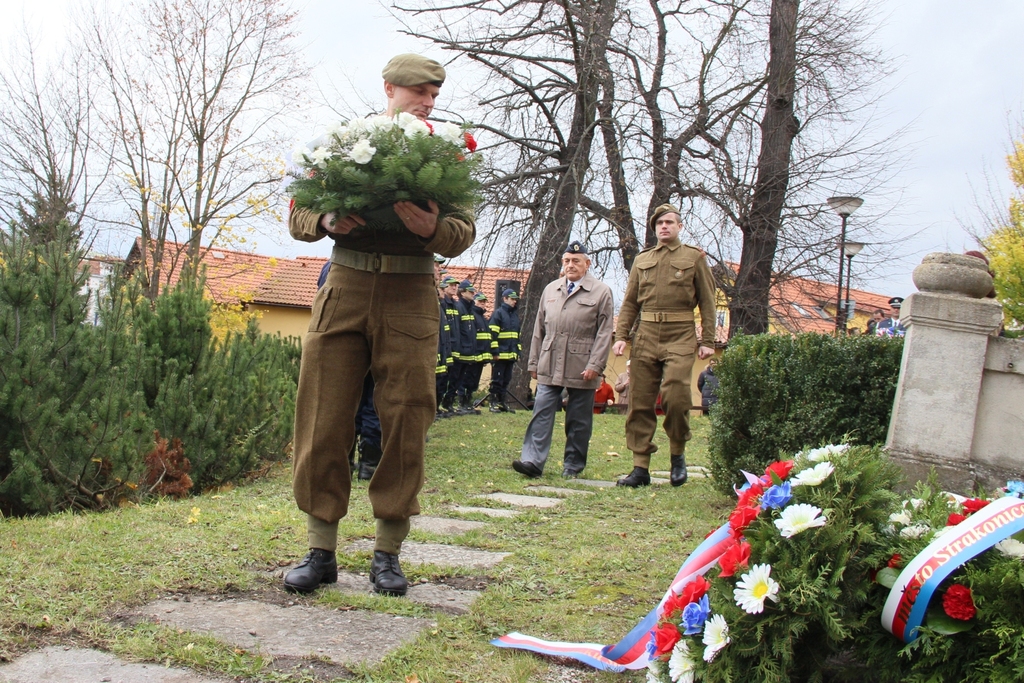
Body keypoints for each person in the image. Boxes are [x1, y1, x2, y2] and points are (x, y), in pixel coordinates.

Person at [284, 53, 475, 597]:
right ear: (389, 88)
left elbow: (464, 230)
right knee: (323, 415)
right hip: (344, 288)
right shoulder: (345, 145)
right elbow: (299, 212)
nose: (428, 101)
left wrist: (434, 226)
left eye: (434, 95)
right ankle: (320, 549)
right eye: (419, 91)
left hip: (411, 292)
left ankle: (387, 554)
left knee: (406, 419)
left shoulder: (447, 155)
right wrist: (325, 219)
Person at [612, 204, 717, 488]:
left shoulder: (693, 258)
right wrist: (621, 336)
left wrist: (708, 340)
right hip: (646, 334)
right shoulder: (643, 259)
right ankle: (640, 467)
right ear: (654, 228)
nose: (664, 227)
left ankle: (677, 454)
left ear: (679, 226)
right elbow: (631, 301)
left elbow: (708, 301)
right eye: (659, 223)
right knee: (640, 401)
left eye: (670, 222)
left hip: (680, 333)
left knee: (676, 396)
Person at [511, 241, 615, 479]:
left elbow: (604, 332)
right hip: (550, 359)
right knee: (542, 411)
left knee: (578, 419)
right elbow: (539, 328)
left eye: (576, 261)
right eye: (567, 260)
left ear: (587, 264)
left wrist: (595, 365)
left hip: (582, 364)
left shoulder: (601, 292)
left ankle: (573, 466)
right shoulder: (551, 289)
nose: (571, 265)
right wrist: (534, 362)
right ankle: (532, 461)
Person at [316, 261, 382, 480]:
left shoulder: (332, 267)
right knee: (372, 404)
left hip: (345, 348)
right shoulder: (377, 264)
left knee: (345, 404)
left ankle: (346, 461)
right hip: (375, 345)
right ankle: (369, 464)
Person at [488, 289, 521, 413]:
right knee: (497, 379)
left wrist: (518, 352)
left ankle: (502, 402)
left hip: (511, 354)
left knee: (506, 379)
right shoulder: (498, 314)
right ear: (505, 299)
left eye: (515, 299)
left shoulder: (514, 315)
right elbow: (492, 334)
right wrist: (495, 352)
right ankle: (493, 402)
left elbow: (517, 336)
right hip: (500, 355)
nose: (514, 301)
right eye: (512, 299)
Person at [454, 279, 481, 414]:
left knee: (467, 377)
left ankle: (466, 403)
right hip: (462, 351)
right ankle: (459, 403)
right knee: (460, 379)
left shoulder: (470, 309)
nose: (473, 294)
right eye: (470, 292)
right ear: (462, 292)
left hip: (469, 350)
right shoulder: (459, 307)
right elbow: (458, 331)